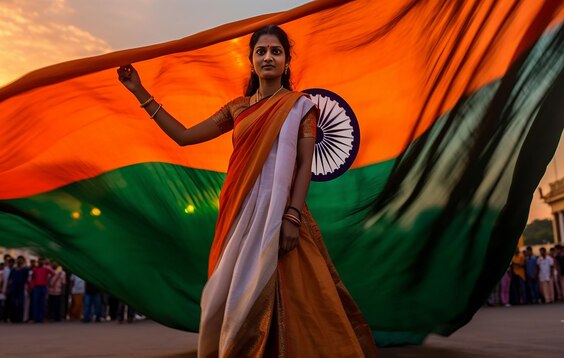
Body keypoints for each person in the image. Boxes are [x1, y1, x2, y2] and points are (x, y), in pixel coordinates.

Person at [117, 25, 377, 357]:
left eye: (276, 51)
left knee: (296, 296)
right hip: (238, 216)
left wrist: (293, 217)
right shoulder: (237, 109)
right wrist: (139, 92)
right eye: (261, 51)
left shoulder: (300, 107)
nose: (268, 57)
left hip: (282, 215)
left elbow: (303, 166)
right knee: (232, 294)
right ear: (252, 61)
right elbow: (183, 136)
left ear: (286, 61)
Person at [30, 258, 54, 323]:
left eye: (42, 260)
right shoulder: (35, 269)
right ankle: (35, 318)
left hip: (43, 286)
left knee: (42, 303)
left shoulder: (46, 268)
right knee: (36, 302)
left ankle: (41, 318)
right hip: (36, 287)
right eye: (40, 260)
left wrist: (48, 280)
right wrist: (32, 286)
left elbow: (53, 273)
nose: (41, 262)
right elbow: (33, 278)